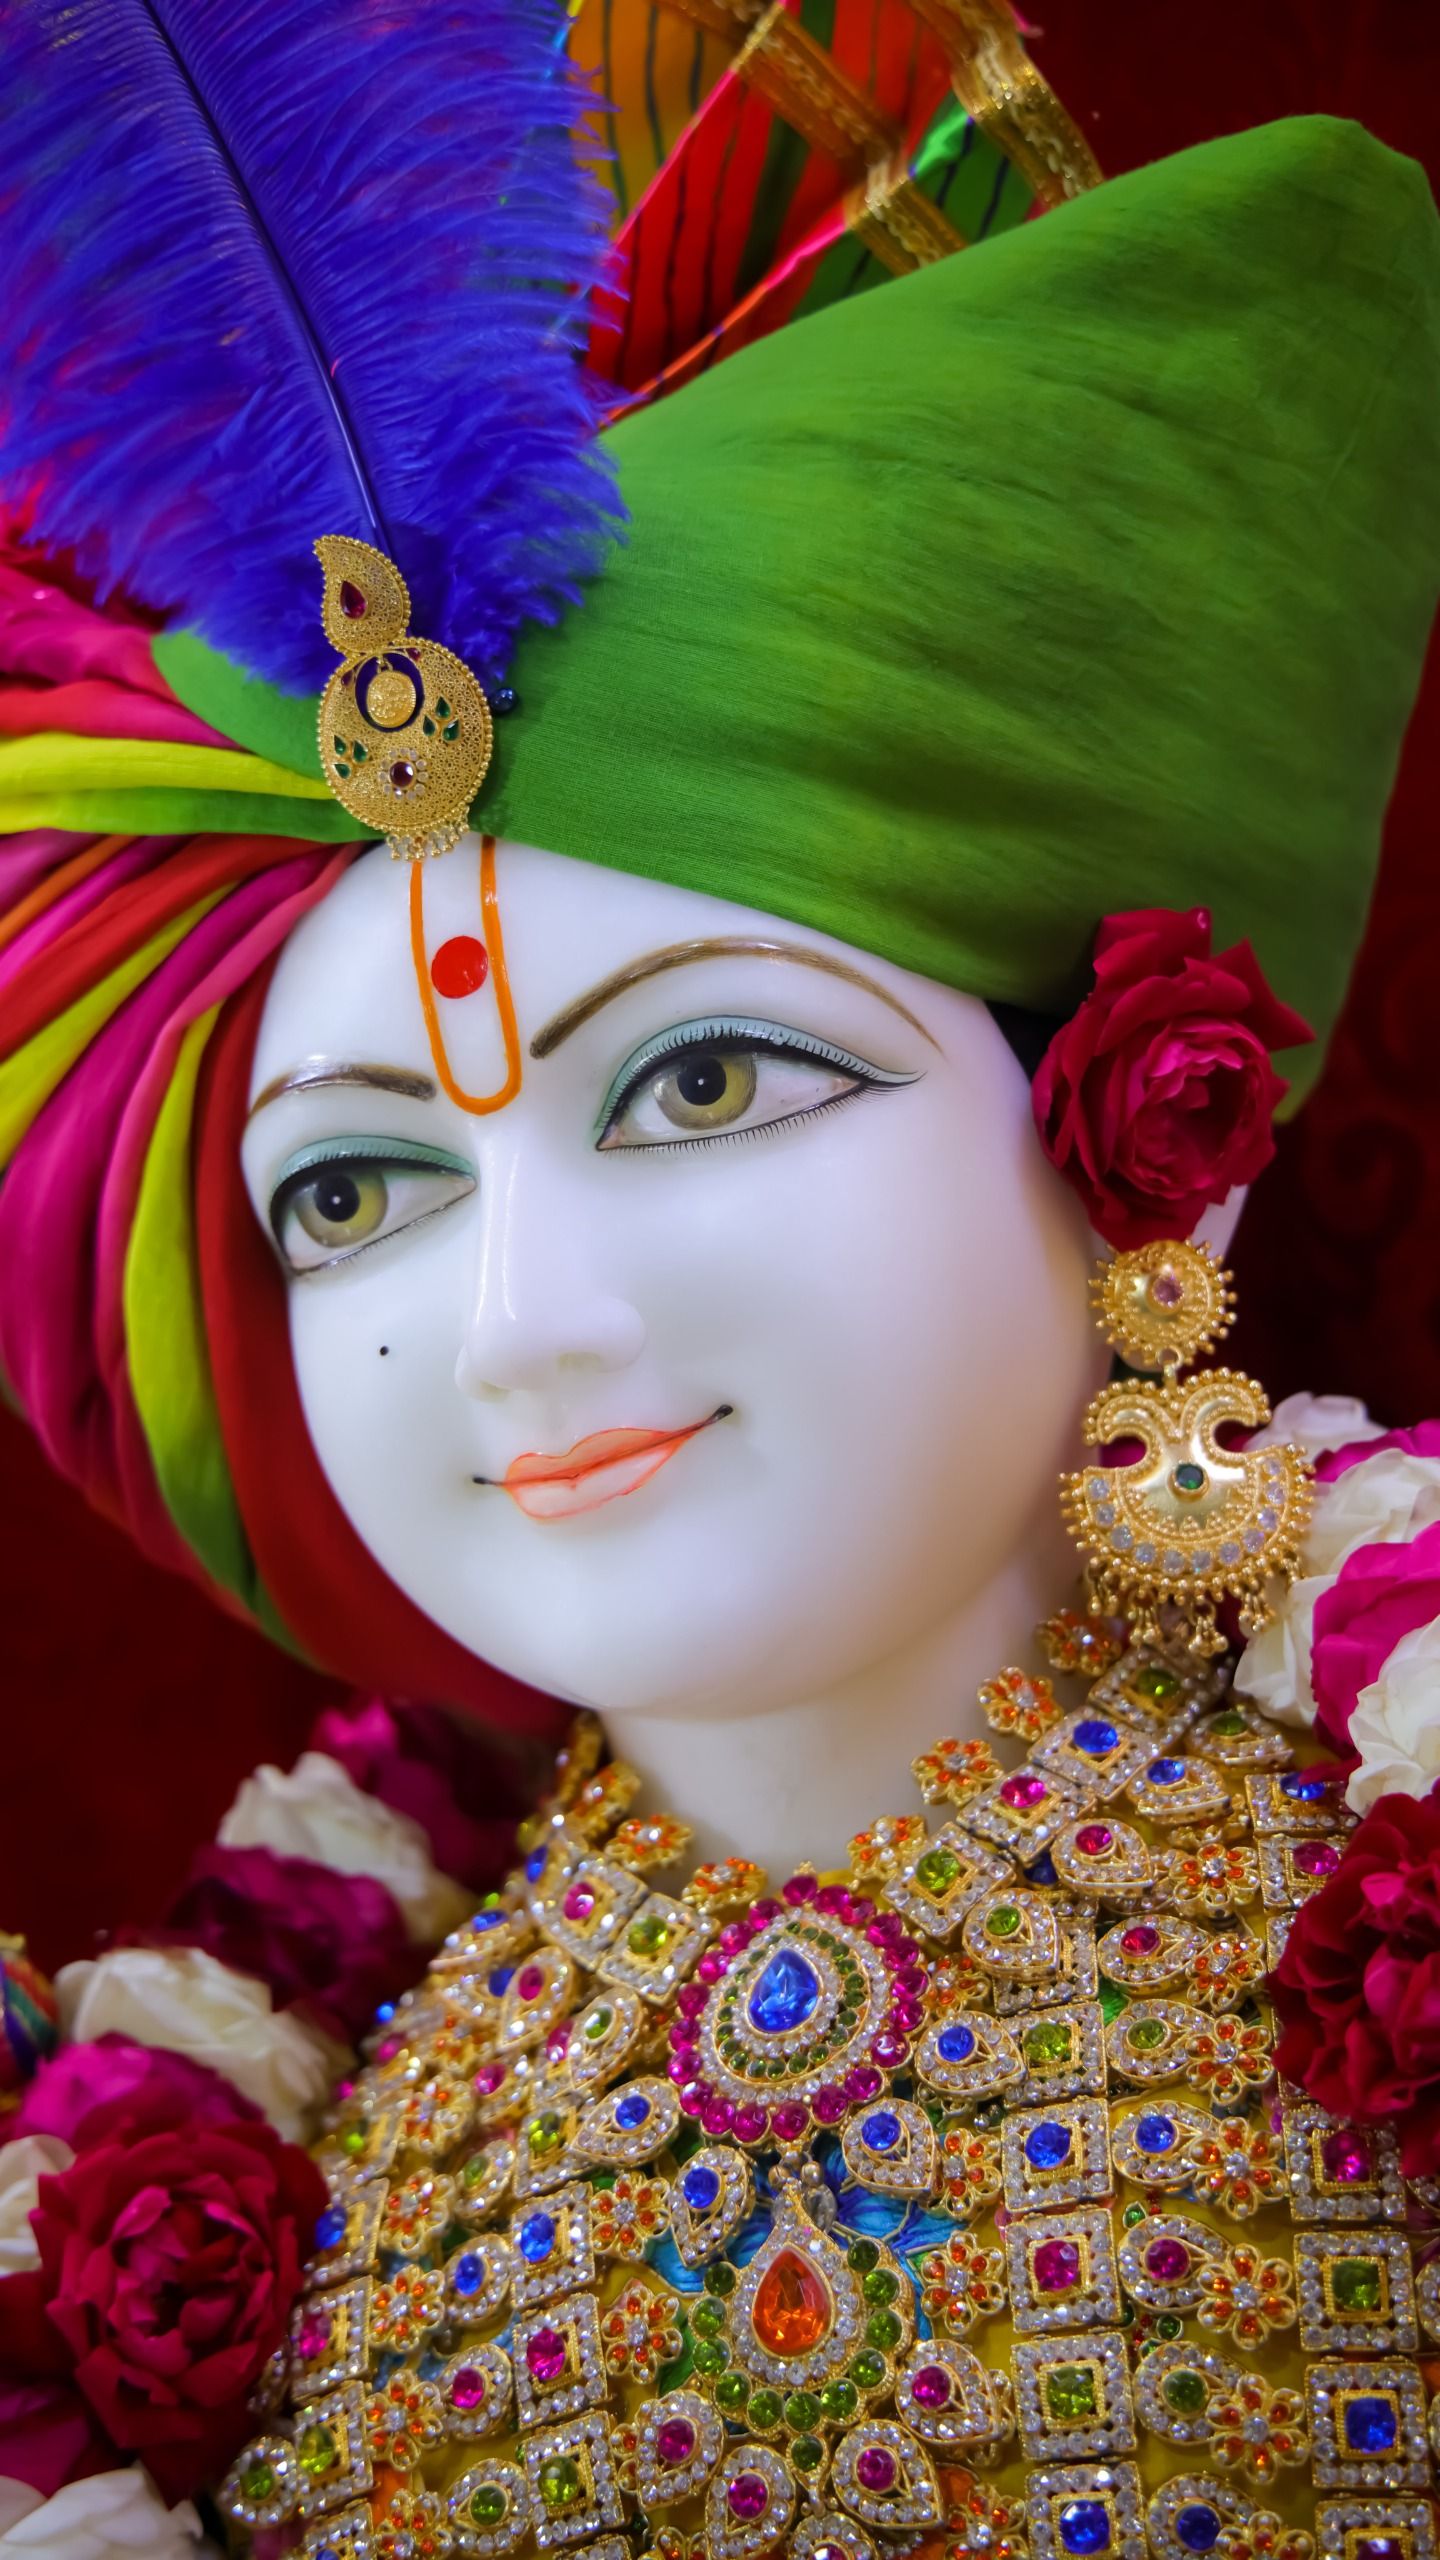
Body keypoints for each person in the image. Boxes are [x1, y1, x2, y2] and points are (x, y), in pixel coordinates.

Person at [0, 0, 1438, 2547]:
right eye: (354, 1192)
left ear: (1138, 1107)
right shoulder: (281, 2119)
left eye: (697, 1085)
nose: (524, 1319)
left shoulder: (1376, 1844)